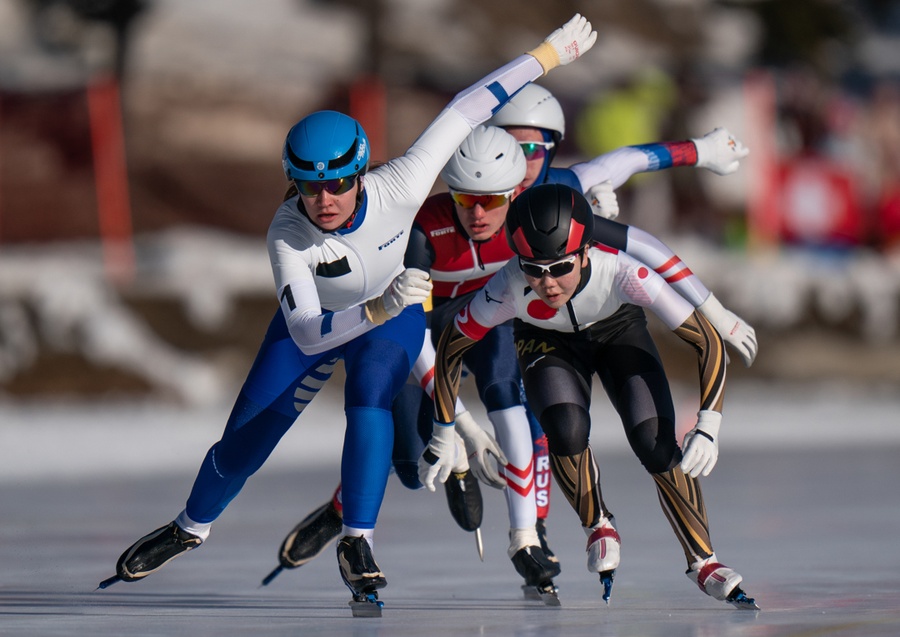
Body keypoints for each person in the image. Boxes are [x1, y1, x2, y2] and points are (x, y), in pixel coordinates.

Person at [97, 14, 598, 607]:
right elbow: (308, 332)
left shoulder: (403, 184)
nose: (324, 201)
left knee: (369, 398)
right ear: (294, 185)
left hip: (391, 323)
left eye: (337, 185)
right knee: (243, 445)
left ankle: (356, 540)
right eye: (310, 188)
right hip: (325, 325)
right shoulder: (287, 234)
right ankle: (190, 527)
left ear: (360, 172)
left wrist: (548, 53)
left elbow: (467, 106)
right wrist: (379, 305)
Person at [270, 106, 758, 595]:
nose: (477, 215)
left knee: (610, 427)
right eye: (464, 198)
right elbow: (429, 334)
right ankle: (349, 507)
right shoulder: (460, 250)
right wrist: (453, 425)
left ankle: (562, 540)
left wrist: (704, 153)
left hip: (569, 325)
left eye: (532, 150)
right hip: (477, 330)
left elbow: (631, 184)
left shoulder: (571, 214)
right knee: (437, 460)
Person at [420, 183, 759, 610]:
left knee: (654, 442)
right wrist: (444, 428)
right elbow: (452, 346)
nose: (547, 283)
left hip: (618, 330)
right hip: (547, 340)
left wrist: (709, 422)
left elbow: (707, 341)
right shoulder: (508, 285)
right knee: (565, 426)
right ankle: (596, 523)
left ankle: (704, 561)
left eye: (560, 266)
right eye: (533, 268)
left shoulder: (623, 271)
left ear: (584, 254)